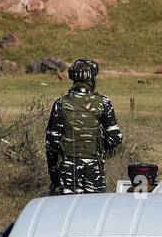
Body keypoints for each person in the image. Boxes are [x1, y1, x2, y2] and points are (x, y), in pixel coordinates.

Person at [46, 58, 123, 195]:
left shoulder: (60, 104)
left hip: (68, 170)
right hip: (94, 170)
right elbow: (115, 139)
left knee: (67, 212)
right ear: (92, 79)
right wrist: (99, 147)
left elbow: (52, 144)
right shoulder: (103, 103)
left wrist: (54, 176)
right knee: (94, 211)